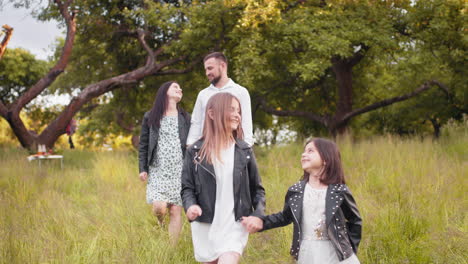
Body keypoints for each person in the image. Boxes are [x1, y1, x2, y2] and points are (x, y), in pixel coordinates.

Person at [244, 138, 362, 264]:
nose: (304, 154)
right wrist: (262, 222)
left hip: (337, 256)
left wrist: (349, 250)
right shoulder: (296, 190)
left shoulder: (339, 191)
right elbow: (285, 217)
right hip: (307, 253)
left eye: (310, 151)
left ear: (326, 159)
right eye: (304, 151)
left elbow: (355, 221)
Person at [181, 93, 265, 264]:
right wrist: (191, 206)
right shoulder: (194, 152)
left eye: (238, 110)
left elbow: (257, 190)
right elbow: (187, 188)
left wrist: (258, 215)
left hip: (235, 223)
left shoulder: (244, 151)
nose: (237, 115)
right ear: (212, 114)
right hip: (204, 224)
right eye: (231, 109)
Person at [138, 81, 191, 243]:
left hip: (179, 171)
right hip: (158, 170)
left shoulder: (185, 117)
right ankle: (161, 223)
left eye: (180, 87)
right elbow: (144, 144)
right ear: (164, 91)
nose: (180, 89)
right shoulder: (150, 116)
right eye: (176, 87)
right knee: (159, 207)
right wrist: (142, 168)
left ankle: (171, 249)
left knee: (175, 211)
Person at [186, 52, 254, 147]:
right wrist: (191, 145)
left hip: (232, 148)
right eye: (206, 70)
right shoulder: (203, 94)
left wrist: (246, 148)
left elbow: (246, 123)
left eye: (210, 68)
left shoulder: (241, 92)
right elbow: (196, 122)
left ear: (222, 66)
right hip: (206, 149)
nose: (207, 73)